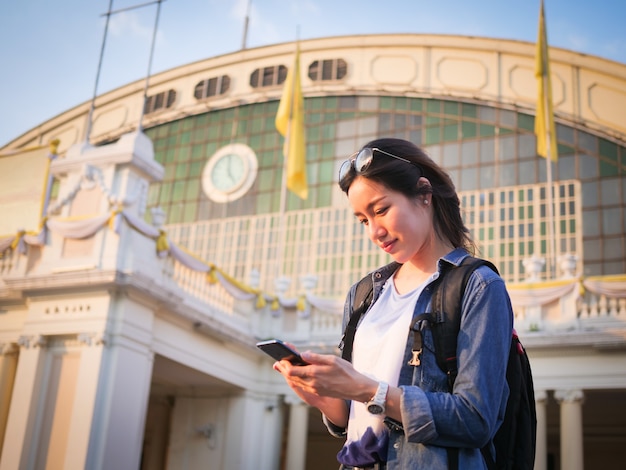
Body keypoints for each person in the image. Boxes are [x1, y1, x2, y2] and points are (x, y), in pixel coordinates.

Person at [273, 138, 512, 469]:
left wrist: (371, 391)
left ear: (424, 194)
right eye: (363, 220)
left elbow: (474, 419)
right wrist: (326, 399)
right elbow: (356, 417)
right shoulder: (364, 295)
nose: (374, 231)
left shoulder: (478, 286)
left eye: (381, 210)